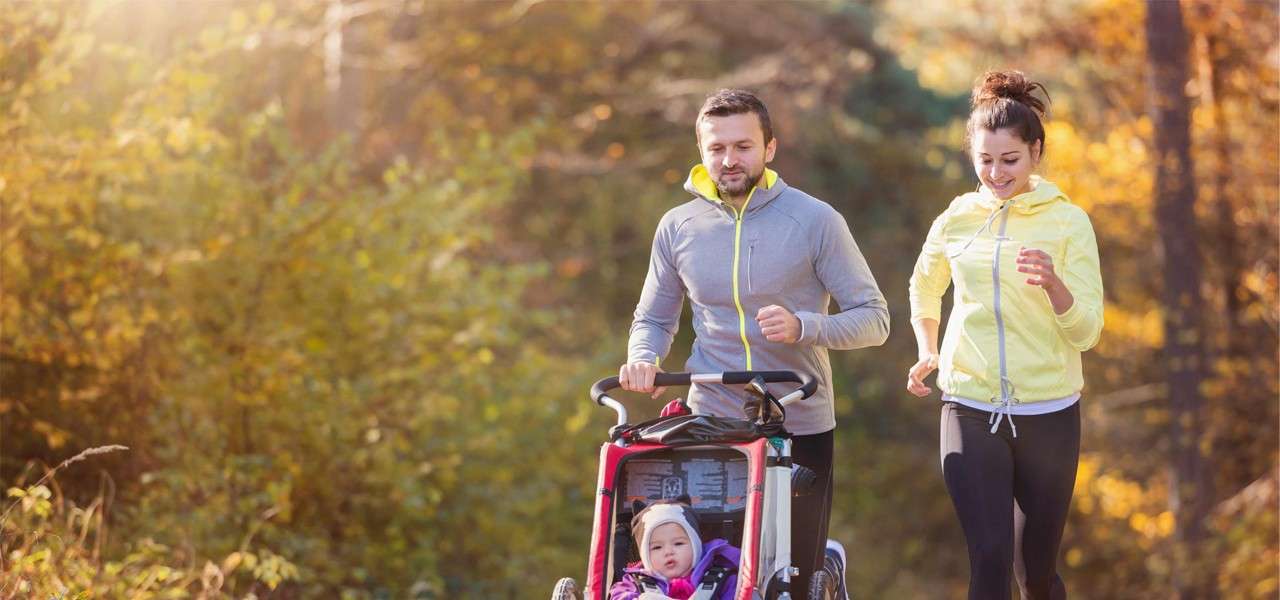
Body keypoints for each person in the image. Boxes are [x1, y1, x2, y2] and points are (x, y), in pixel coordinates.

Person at [620, 88, 889, 596]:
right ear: (701, 151)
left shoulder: (815, 220)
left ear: (770, 149)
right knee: (709, 574)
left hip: (799, 418)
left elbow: (874, 320)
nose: (729, 160)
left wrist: (805, 325)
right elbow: (653, 318)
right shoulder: (678, 226)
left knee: (791, 577)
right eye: (716, 148)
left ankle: (824, 563)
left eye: (743, 146)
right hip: (710, 424)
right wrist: (642, 358)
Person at [906, 70, 1104, 600]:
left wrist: (1056, 286)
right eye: (984, 160)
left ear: (1035, 152)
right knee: (989, 560)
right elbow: (924, 287)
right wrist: (928, 349)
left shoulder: (1067, 223)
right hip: (970, 405)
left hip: (1049, 414)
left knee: (1035, 572)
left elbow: (1087, 331)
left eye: (1009, 160)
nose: (995, 173)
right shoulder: (956, 218)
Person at [609, 498, 740, 600]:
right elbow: (618, 595)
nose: (668, 552)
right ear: (645, 556)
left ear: (695, 547)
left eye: (678, 544)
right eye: (657, 547)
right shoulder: (633, 583)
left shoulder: (724, 580)